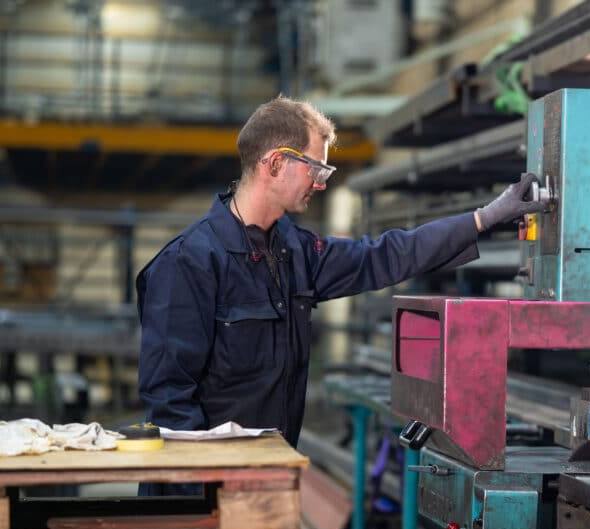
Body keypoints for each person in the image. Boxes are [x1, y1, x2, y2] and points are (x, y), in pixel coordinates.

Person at [136, 95, 545, 476]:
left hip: (269, 476)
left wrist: (484, 218)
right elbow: (170, 407)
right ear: (275, 164)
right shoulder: (189, 262)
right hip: (206, 489)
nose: (321, 182)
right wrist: (204, 501)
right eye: (315, 168)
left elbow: (385, 255)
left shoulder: (295, 252)